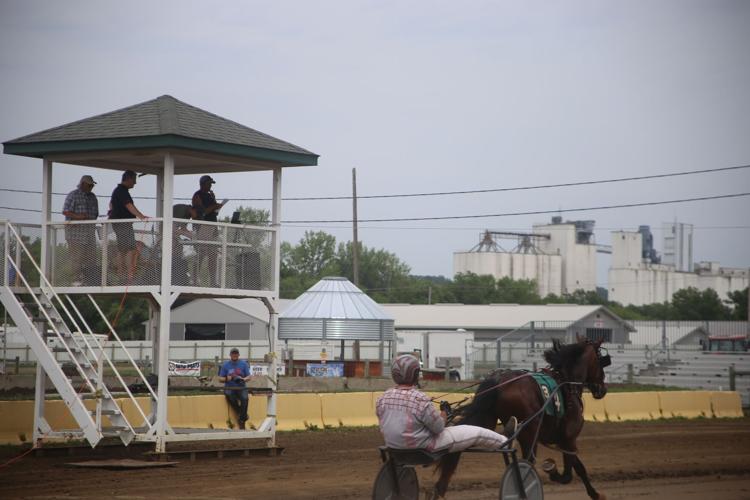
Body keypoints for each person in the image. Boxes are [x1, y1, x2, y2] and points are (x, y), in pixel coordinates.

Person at [376, 354, 517, 453]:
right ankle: (505, 442)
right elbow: (438, 428)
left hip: (393, 446)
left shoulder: (382, 398)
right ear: (414, 375)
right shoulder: (419, 399)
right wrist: (444, 413)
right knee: (476, 432)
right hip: (424, 446)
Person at [108, 170, 148, 281]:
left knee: (124, 249)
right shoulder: (121, 191)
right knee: (129, 249)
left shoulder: (119, 191)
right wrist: (141, 216)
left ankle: (123, 274)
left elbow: (111, 204)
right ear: (129, 179)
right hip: (122, 224)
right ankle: (127, 275)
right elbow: (128, 205)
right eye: (134, 180)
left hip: (122, 223)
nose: (135, 183)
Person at [62, 175, 99, 285]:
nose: (92, 186)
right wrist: (79, 217)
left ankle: (89, 280)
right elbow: (65, 211)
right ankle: (76, 280)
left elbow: (95, 214)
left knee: (91, 258)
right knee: (76, 258)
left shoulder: (93, 197)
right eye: (90, 184)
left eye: (92, 185)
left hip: (89, 233)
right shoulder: (73, 195)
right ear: (83, 184)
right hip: (75, 234)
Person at [191, 175, 225, 286]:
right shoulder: (197, 195)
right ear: (203, 183)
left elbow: (213, 212)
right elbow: (202, 212)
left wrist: (216, 204)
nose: (210, 185)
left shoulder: (210, 195)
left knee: (213, 255)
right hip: (203, 227)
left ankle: (213, 281)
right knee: (201, 253)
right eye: (209, 183)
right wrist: (214, 206)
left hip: (213, 227)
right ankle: (194, 279)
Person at [218, 347, 251, 430]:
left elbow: (249, 376)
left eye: (236, 353)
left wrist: (243, 379)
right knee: (229, 396)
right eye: (233, 353)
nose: (234, 355)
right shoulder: (225, 365)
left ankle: (241, 419)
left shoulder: (244, 364)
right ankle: (243, 415)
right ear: (230, 355)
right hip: (230, 387)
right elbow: (220, 379)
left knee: (245, 398)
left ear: (238, 355)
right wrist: (226, 378)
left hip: (241, 386)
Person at [171, 204, 196, 285]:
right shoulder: (181, 211)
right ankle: (172, 273)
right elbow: (172, 228)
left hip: (173, 232)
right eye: (196, 214)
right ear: (193, 209)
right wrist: (187, 234)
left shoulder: (188, 214)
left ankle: (179, 275)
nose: (194, 217)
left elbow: (183, 228)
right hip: (166, 229)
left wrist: (191, 235)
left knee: (179, 247)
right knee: (174, 246)